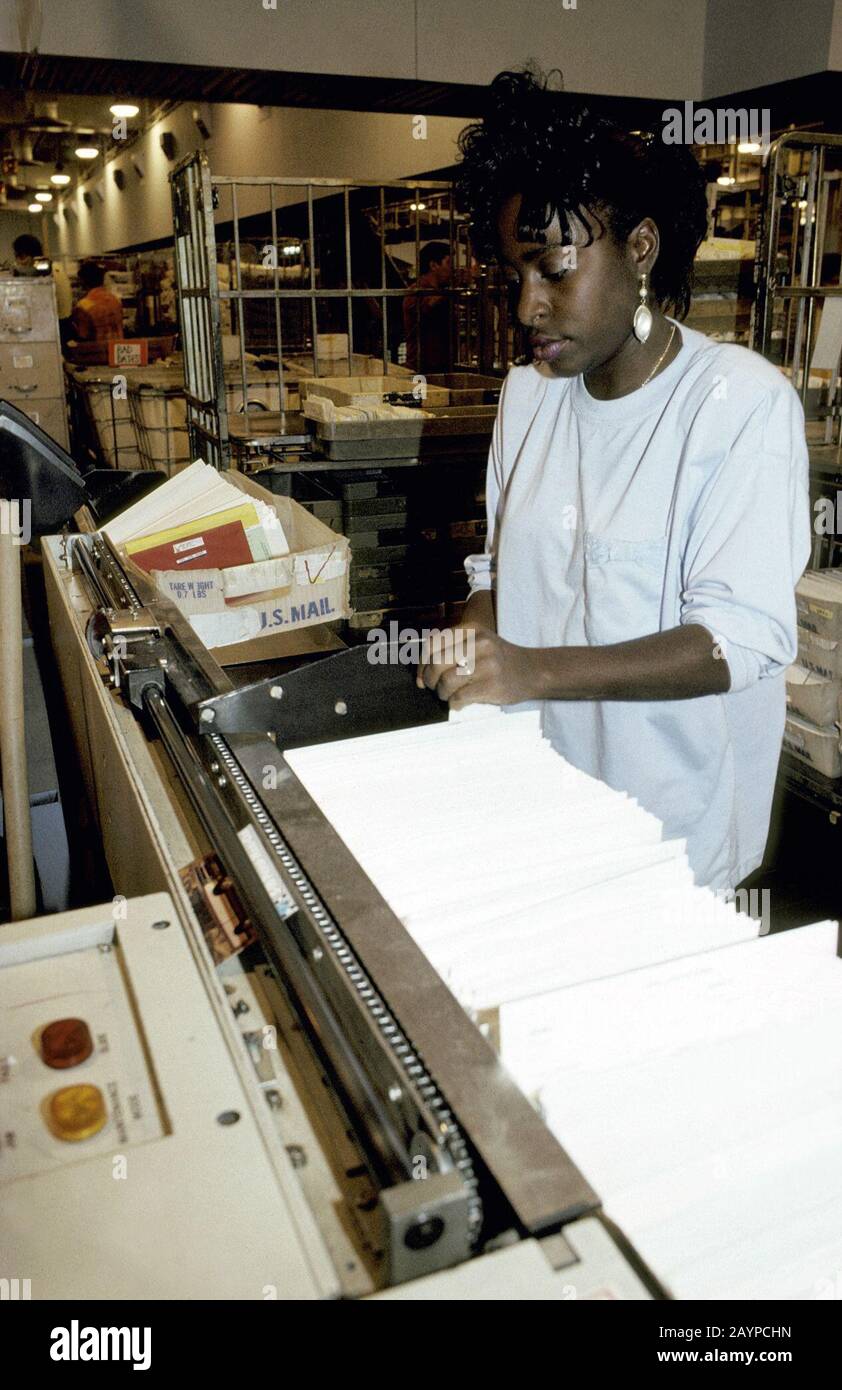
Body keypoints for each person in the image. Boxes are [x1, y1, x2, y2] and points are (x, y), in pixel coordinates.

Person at [417, 69, 811, 895]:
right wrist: (475, 639)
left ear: (639, 248)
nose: (525, 307)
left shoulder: (733, 403)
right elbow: (498, 571)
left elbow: (736, 638)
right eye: (514, 272)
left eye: (554, 269)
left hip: (669, 840)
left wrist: (531, 668)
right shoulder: (530, 396)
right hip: (537, 804)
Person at [402, 240, 452, 374]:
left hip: (441, 366)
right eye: (449, 263)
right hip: (421, 368)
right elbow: (427, 306)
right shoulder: (416, 291)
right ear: (433, 265)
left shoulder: (439, 291)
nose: (452, 269)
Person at [71, 260, 124, 342]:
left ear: (83, 282)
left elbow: (82, 337)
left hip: (97, 352)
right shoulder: (116, 300)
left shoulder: (83, 306)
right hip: (117, 351)